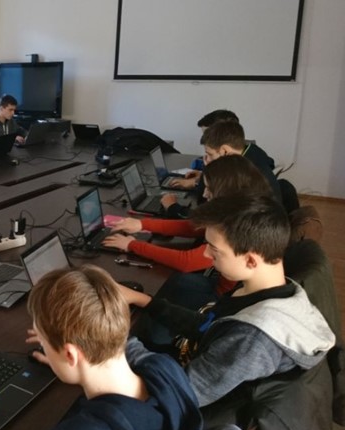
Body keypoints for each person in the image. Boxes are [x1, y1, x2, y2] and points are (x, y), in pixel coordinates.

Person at [0, 266, 203, 430]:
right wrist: (71, 357)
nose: (42, 346)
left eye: (44, 342)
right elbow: (122, 346)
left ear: (70, 355)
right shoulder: (166, 369)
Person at [117, 195, 335, 407]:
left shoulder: (251, 339)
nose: (205, 254)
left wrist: (117, 341)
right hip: (192, 364)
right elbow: (208, 325)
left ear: (250, 260)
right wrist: (143, 300)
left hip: (183, 401)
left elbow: (180, 394)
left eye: (214, 249)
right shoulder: (266, 288)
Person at [104, 155, 274, 302]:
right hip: (222, 285)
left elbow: (186, 261)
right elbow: (196, 226)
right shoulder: (244, 207)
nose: (205, 194)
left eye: (209, 189)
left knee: (163, 285)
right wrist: (142, 224)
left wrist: (133, 245)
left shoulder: (238, 223)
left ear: (227, 192)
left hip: (219, 297)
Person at [162, 121, 281, 217]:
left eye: (209, 154)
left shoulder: (240, 177)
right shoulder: (252, 156)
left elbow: (207, 213)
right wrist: (199, 178)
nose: (206, 159)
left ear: (224, 151)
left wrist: (173, 207)